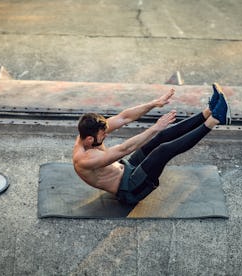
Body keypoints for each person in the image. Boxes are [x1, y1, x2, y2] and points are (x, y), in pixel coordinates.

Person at [73, 83, 231, 205]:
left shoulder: (90, 132)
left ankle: (208, 111)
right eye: (103, 135)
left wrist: (154, 103)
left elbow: (124, 117)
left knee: (160, 137)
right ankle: (216, 119)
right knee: (162, 150)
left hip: (127, 167)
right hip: (130, 188)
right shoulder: (84, 160)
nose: (106, 134)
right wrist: (155, 127)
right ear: (89, 140)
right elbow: (125, 148)